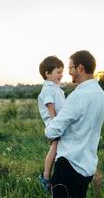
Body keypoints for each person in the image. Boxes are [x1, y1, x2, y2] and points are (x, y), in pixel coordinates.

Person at [45, 50, 104, 198]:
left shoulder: (78, 96)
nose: (69, 72)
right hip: (87, 167)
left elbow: (51, 131)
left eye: (71, 67)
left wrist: (49, 127)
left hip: (69, 166)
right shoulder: (100, 93)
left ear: (80, 68)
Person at [37, 56, 66, 192]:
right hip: (54, 124)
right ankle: (46, 178)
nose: (61, 74)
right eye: (58, 72)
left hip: (59, 124)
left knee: (59, 150)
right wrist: (55, 126)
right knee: (54, 150)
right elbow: (50, 107)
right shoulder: (48, 89)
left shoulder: (56, 88)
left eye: (62, 71)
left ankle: (57, 175)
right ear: (47, 74)